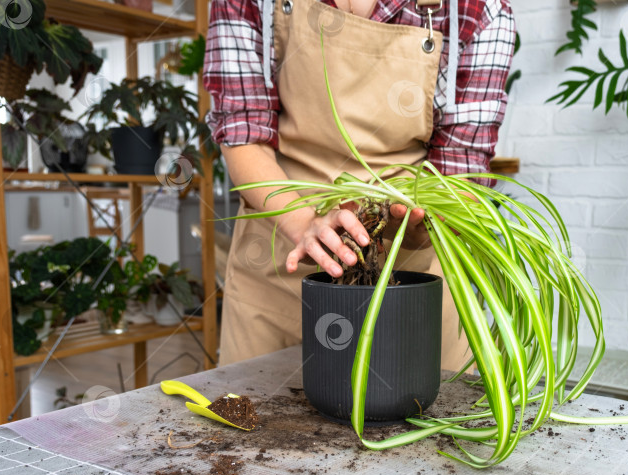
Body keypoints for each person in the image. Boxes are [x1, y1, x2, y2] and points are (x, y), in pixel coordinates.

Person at [204, 0, 516, 368]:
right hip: (280, 259)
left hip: (410, 278)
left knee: (421, 413)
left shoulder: (478, 10)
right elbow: (244, 133)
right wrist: (303, 223)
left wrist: (416, 226)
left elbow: (460, 171)